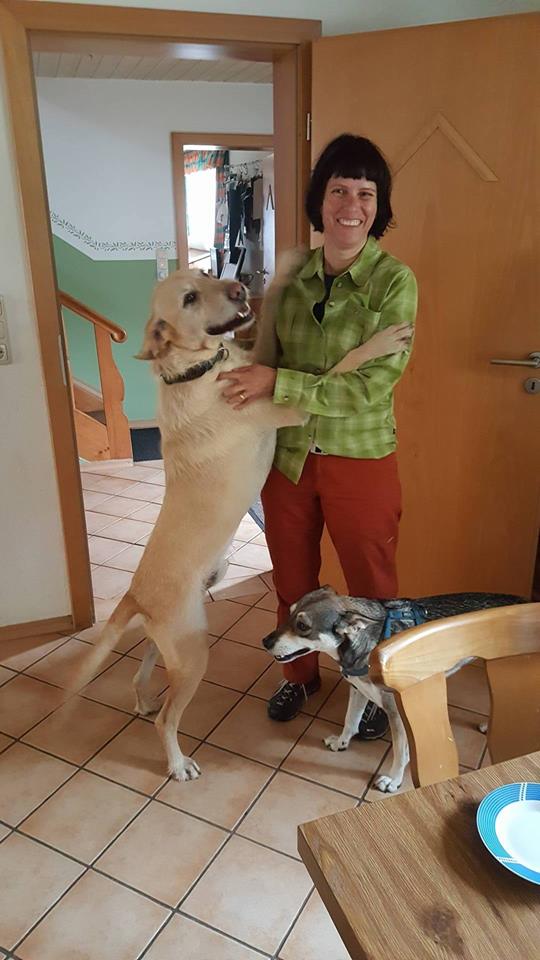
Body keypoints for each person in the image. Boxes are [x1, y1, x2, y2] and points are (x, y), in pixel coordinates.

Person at [219, 134, 418, 734]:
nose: (351, 205)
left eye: (365, 193)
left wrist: (279, 382)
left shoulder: (394, 282)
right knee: (291, 580)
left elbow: (367, 389)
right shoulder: (293, 278)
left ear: (378, 206)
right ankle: (298, 675)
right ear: (320, 200)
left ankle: (378, 689)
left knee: (372, 589)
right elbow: (262, 364)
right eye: (338, 190)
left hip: (361, 457)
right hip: (288, 459)